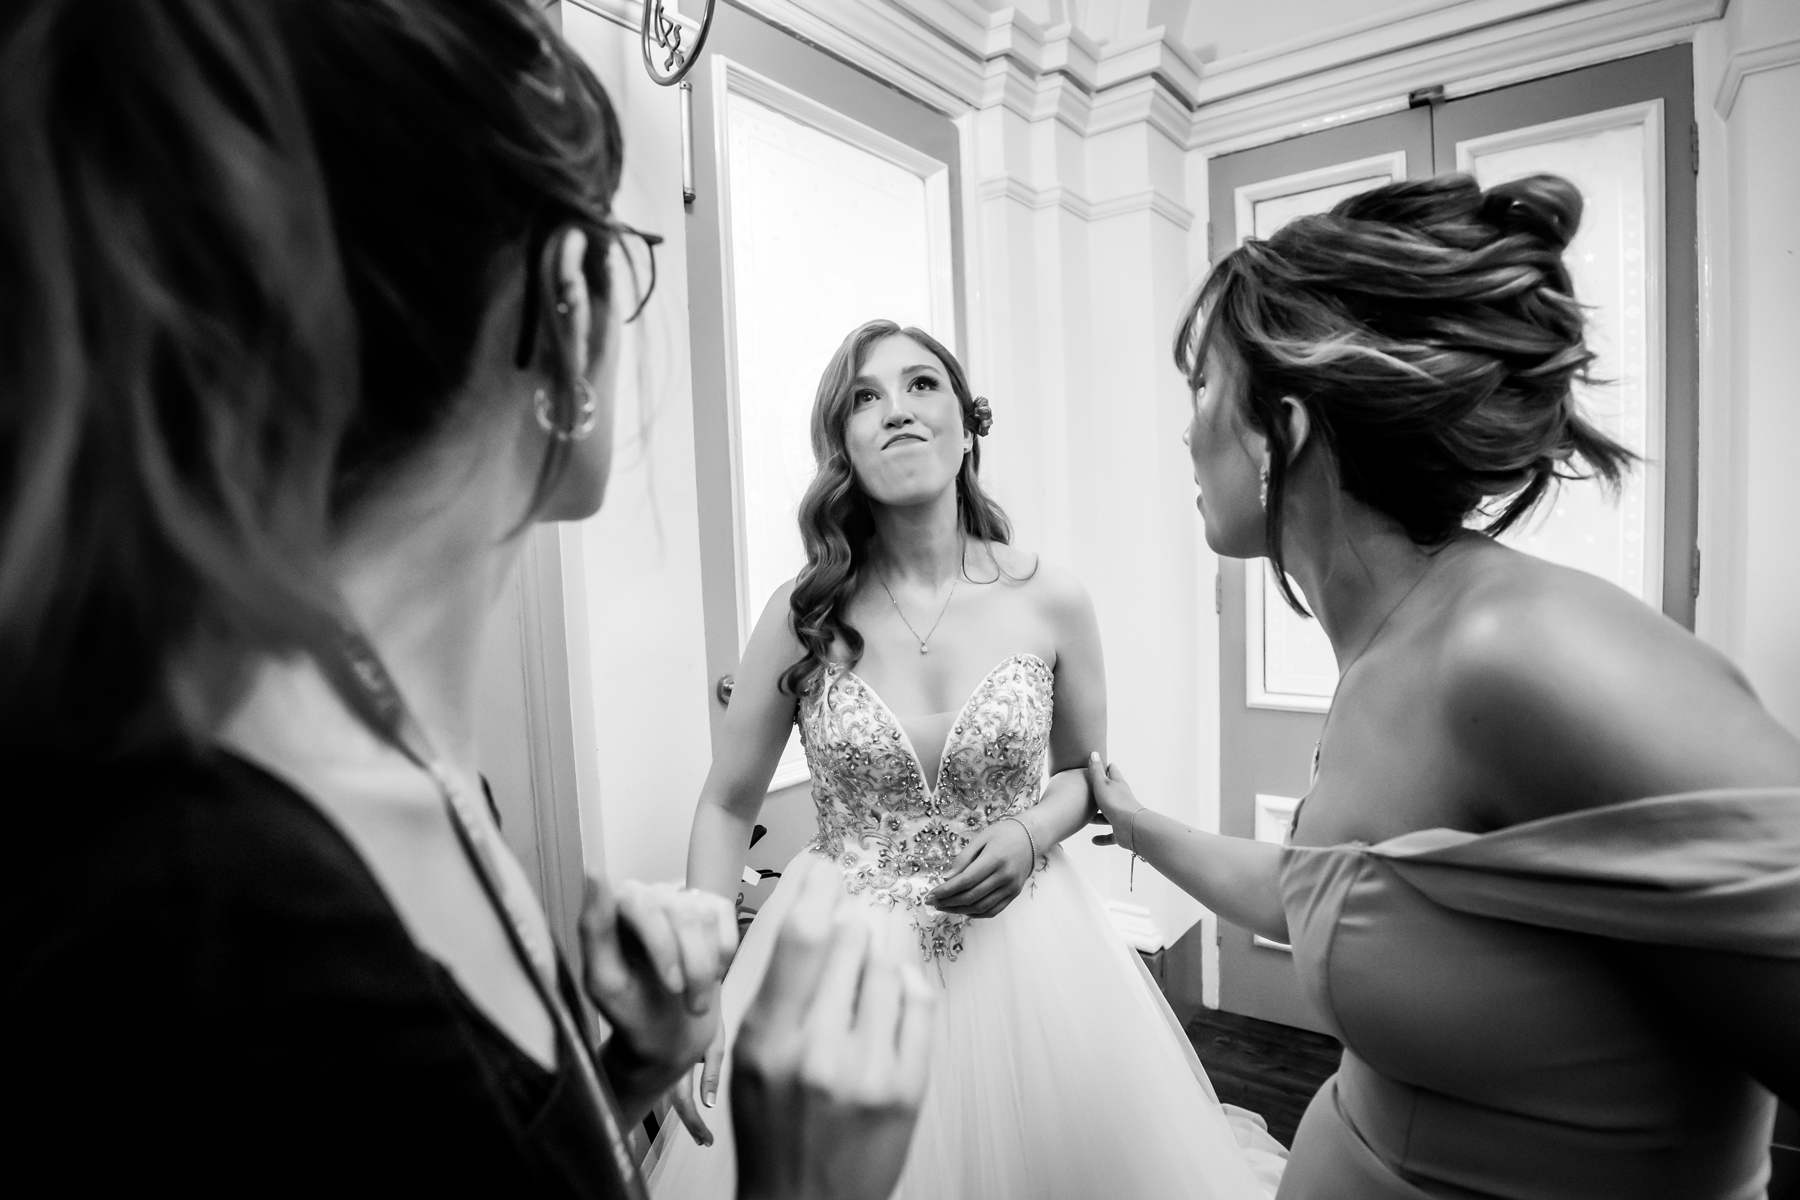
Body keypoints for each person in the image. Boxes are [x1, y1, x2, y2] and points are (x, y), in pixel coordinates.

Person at [0, 2, 930, 1196]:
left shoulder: (406, 769)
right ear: (570, 299)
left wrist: (628, 1070)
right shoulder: (222, 939)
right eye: (622, 256)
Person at [1085, 172, 1800, 1199]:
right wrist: (1137, 821)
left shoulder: (1525, 650)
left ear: (1283, 430)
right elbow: (1324, 893)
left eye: (1200, 388)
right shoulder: (1390, 649)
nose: (1184, 429)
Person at [649, 319, 1288, 1199]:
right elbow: (725, 806)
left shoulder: (1050, 597)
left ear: (966, 421)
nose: (897, 411)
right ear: (842, 444)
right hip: (843, 966)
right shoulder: (797, 615)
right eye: (865, 398)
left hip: (1028, 955)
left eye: (921, 386)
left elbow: (1085, 779)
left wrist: (1029, 834)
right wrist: (697, 991)